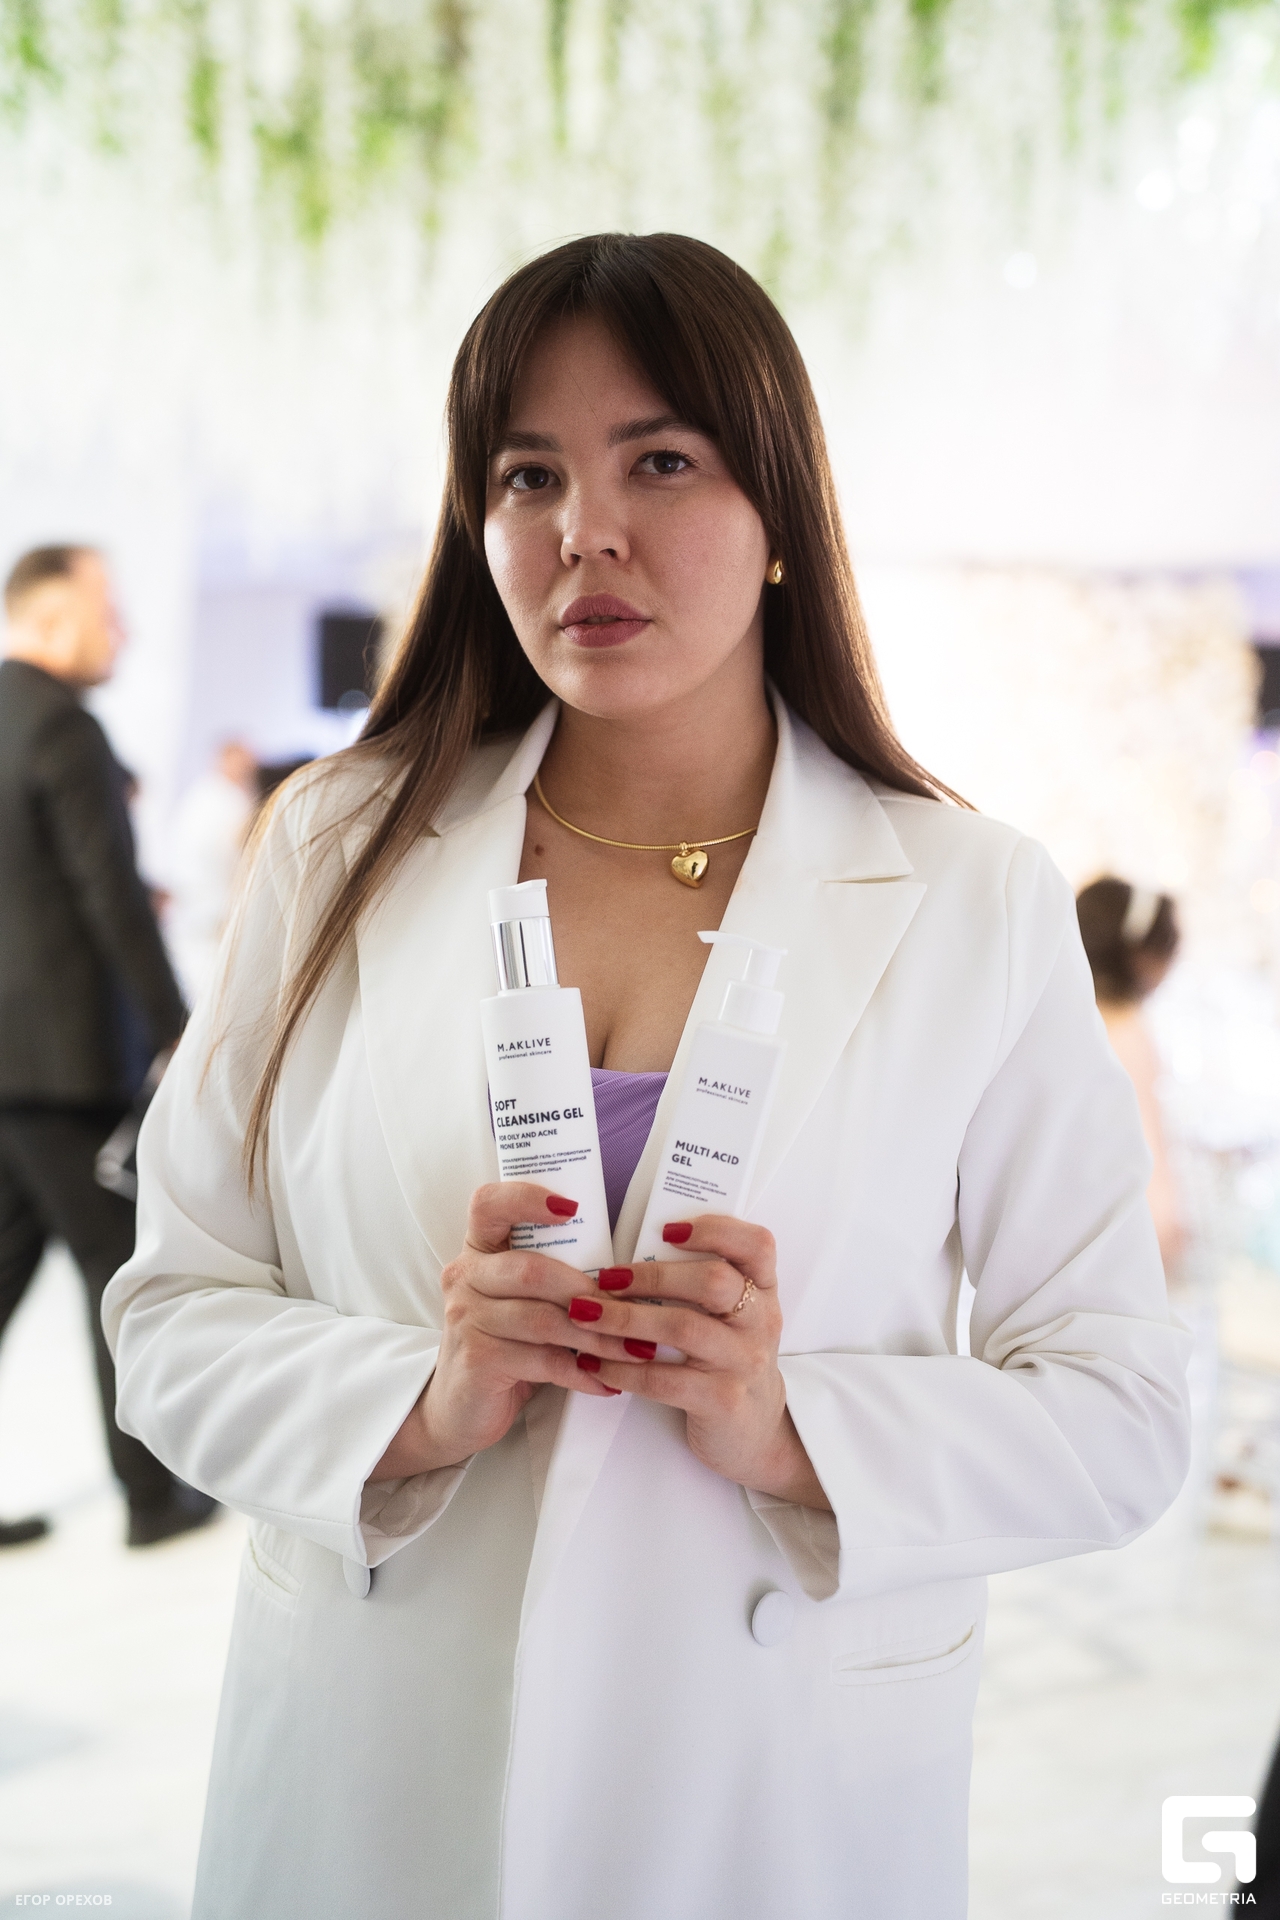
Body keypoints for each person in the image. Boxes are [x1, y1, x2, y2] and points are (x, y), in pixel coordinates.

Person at [103, 235, 1190, 1919]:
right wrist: (421, 1401)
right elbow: (173, 1312)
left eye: (659, 461)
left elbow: (1120, 1413)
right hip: (381, 1768)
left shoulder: (971, 900)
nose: (584, 531)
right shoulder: (335, 847)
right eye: (527, 475)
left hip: (771, 1786)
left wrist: (790, 1425)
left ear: (779, 516)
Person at [0, 544, 215, 1549]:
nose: (121, 629)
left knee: (9, 1263)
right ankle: (154, 1496)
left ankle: (151, 1488)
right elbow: (107, 895)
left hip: (11, 1062)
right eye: (107, 609)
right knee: (118, 1265)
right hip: (64, 1059)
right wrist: (180, 1028)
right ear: (50, 616)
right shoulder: (63, 725)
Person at [1075, 877, 1185, 1276]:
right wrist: (1169, 1230)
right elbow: (1147, 1145)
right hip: (1120, 1247)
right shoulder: (1126, 1030)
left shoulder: (1068, 1019)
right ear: (1141, 955)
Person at [163, 739, 257, 1003]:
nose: (248, 768)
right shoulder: (226, 800)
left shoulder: (203, 794)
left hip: (197, 908)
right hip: (208, 911)